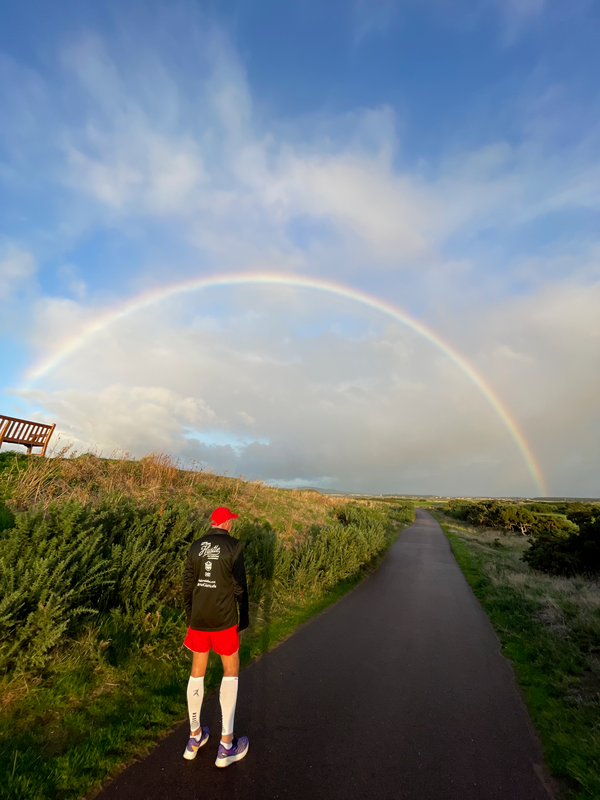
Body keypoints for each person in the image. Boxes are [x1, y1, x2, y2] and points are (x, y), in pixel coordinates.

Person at [182, 506, 250, 767]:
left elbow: (188, 583)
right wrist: (243, 617)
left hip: (199, 618)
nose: (232, 525)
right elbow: (239, 586)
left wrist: (190, 615)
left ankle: (194, 738)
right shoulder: (234, 546)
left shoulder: (196, 545)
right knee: (230, 671)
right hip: (223, 620)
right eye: (232, 521)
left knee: (196, 672)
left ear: (212, 523)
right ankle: (226, 745)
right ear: (227, 523)